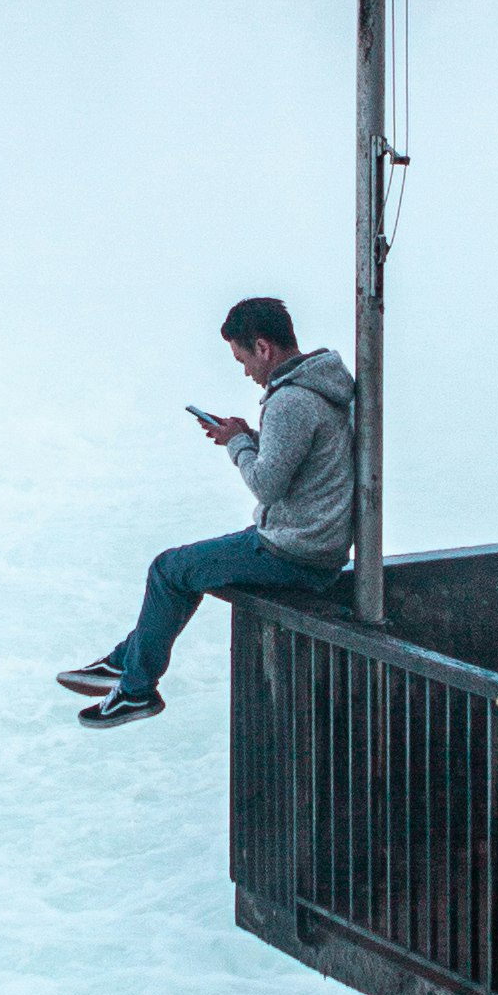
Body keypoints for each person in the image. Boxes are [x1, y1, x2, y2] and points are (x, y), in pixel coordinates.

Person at [65, 297, 356, 727]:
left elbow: (267, 485)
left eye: (243, 359)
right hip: (318, 543)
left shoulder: (291, 401)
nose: (246, 372)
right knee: (185, 570)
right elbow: (302, 459)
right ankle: (125, 663)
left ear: (263, 347)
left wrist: (237, 446)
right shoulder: (323, 386)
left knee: (169, 569)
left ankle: (135, 690)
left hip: (295, 553)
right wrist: (244, 435)